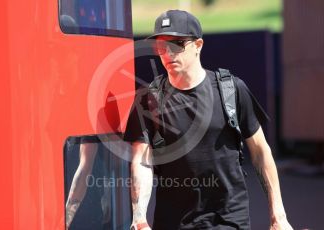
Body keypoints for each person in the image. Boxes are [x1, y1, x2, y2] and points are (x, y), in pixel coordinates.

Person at [124, 9, 293, 230]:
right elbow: (142, 162)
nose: (168, 53)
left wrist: (278, 216)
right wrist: (139, 218)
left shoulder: (231, 90)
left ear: (198, 45)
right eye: (161, 46)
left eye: (177, 43)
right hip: (173, 223)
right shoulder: (148, 100)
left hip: (229, 220)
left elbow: (261, 151)